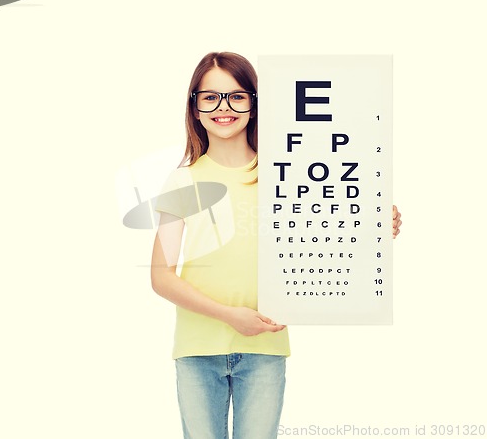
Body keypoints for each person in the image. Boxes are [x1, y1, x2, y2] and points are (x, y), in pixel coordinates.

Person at [150, 52, 402, 439]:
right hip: (198, 348)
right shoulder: (184, 181)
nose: (224, 108)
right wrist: (229, 315)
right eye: (210, 97)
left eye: (237, 96)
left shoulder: (285, 174)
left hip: (266, 346)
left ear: (254, 103)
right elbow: (162, 276)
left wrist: (371, 223)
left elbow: (323, 231)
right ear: (195, 107)